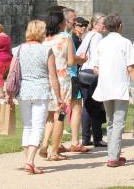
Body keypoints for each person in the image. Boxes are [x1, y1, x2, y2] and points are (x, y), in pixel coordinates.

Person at [91, 15, 134, 168]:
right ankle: (113, 157)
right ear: (120, 26)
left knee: (110, 122)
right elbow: (131, 68)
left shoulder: (102, 43)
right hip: (120, 87)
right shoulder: (125, 43)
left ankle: (113, 154)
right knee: (118, 122)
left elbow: (95, 68)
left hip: (105, 86)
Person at [16, 20, 63, 175]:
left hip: (24, 91)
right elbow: (53, 77)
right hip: (41, 91)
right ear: (40, 33)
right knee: (37, 127)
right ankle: (30, 161)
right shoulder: (46, 50)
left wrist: (7, 93)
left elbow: (11, 74)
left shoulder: (19, 49)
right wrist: (59, 96)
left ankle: (28, 161)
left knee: (28, 127)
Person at [39, 11, 75, 161]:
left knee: (49, 115)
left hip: (47, 80)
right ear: (61, 24)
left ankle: (45, 143)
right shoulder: (66, 38)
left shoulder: (44, 40)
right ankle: (54, 151)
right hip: (62, 79)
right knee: (60, 115)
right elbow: (71, 62)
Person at [76, 14, 107, 147]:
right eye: (102, 23)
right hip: (93, 72)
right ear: (95, 24)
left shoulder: (88, 35)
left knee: (87, 105)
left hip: (84, 72)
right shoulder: (98, 37)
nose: (104, 26)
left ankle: (85, 137)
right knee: (96, 106)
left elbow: (80, 53)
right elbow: (98, 56)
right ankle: (98, 137)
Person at [64, 10, 90, 153]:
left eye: (85, 25)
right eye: (80, 25)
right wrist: (81, 59)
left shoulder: (76, 39)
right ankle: (75, 140)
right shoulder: (71, 39)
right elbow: (71, 59)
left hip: (67, 75)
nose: (83, 28)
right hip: (71, 75)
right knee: (75, 107)